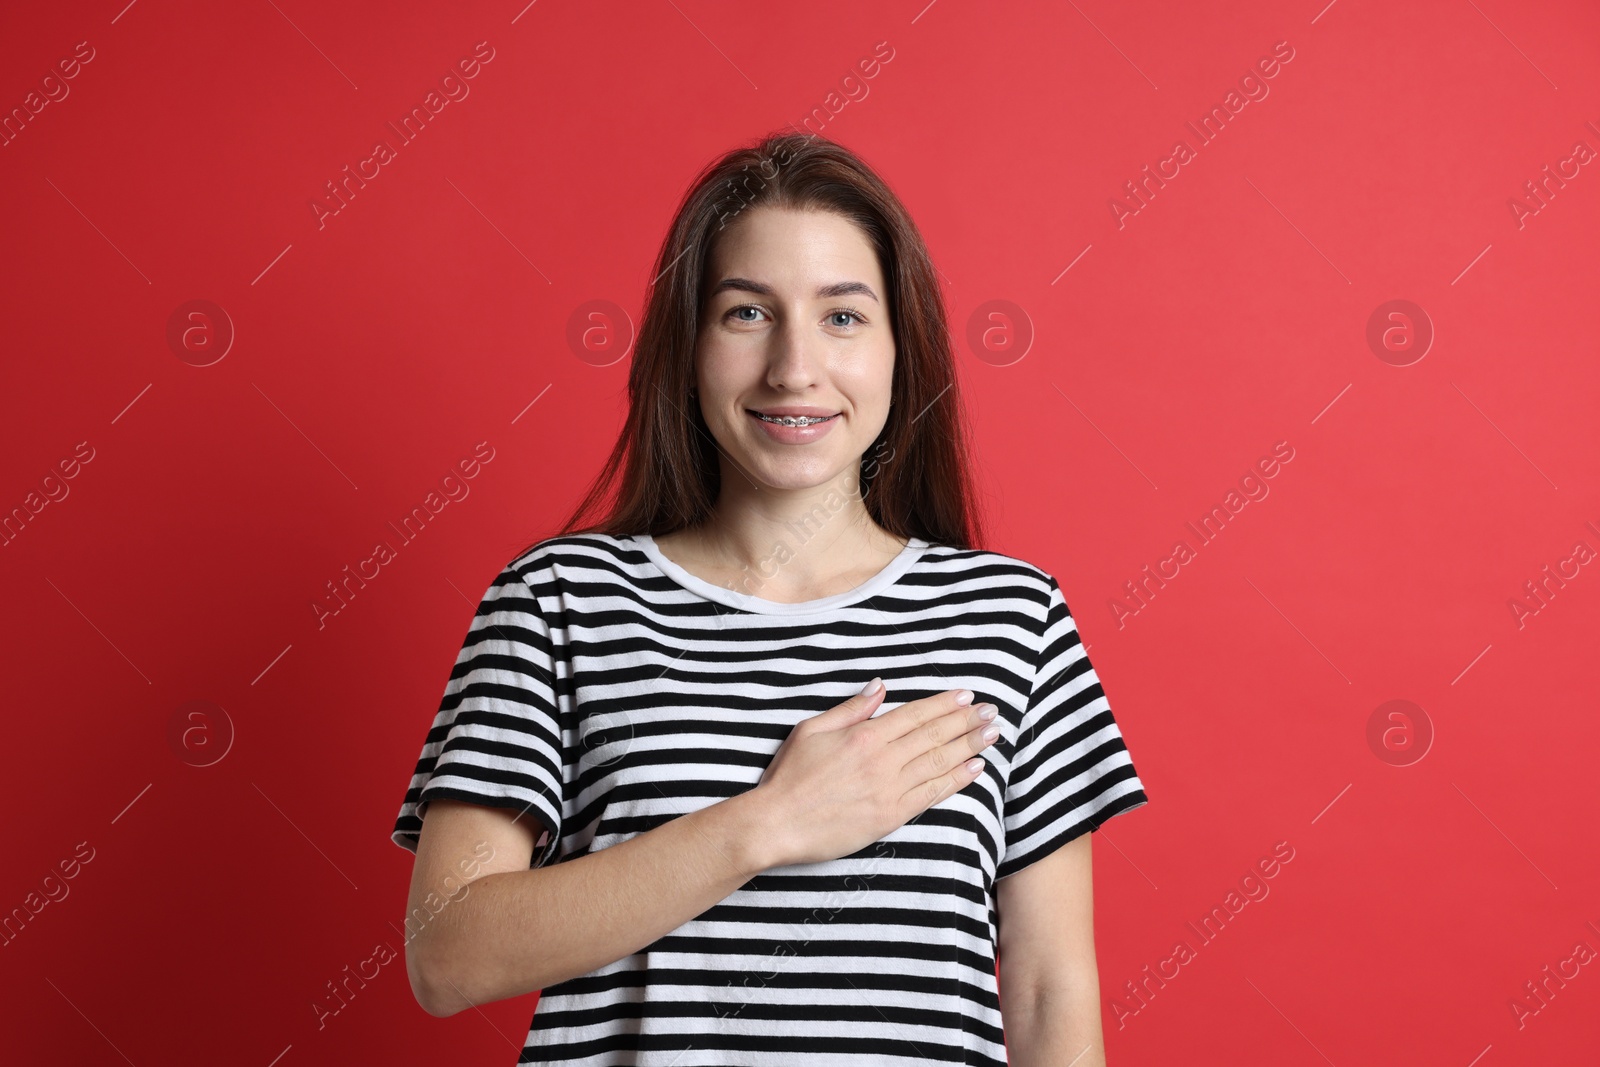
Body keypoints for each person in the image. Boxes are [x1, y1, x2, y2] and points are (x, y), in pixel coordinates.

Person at [390, 130, 1150, 1066]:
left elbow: (1047, 993)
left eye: (842, 317)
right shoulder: (557, 603)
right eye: (748, 313)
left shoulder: (1012, 617)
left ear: (900, 349)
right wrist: (768, 824)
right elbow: (448, 952)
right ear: (689, 343)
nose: (795, 367)